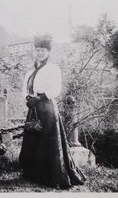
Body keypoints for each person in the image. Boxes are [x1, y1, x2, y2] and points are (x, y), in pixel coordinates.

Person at [19, 34, 86, 189]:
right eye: (37, 50)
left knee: (48, 141)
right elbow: (24, 89)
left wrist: (40, 97)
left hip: (47, 109)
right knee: (33, 139)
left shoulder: (53, 69)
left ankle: (50, 175)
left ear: (48, 52)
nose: (40, 53)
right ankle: (33, 173)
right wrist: (28, 98)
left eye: (42, 50)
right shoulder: (30, 72)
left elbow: (55, 89)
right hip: (34, 109)